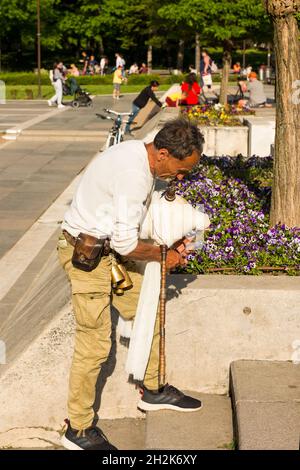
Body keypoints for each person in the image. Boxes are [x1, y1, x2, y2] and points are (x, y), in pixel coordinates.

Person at [58, 118, 205, 450]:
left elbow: (125, 234)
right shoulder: (134, 175)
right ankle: (77, 429)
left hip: (108, 251)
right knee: (94, 346)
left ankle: (153, 390)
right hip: (87, 257)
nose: (181, 178)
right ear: (163, 153)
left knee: (148, 311)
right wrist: (164, 255)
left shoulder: (140, 154)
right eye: (181, 170)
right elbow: (126, 245)